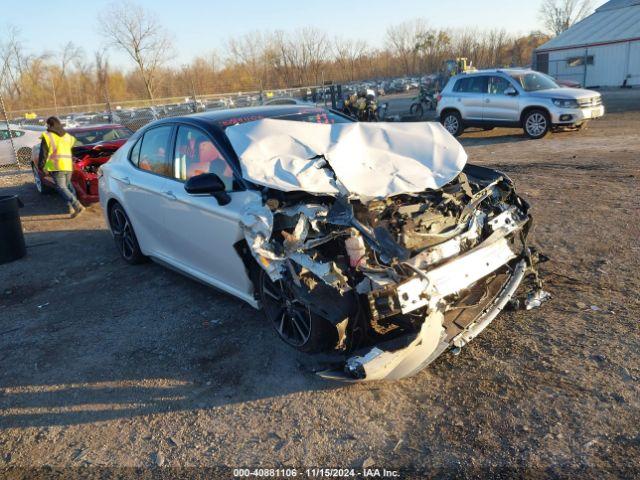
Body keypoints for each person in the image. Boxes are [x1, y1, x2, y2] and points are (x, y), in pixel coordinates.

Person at [38, 116, 85, 217]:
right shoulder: (67, 136)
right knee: (68, 186)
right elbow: (71, 149)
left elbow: (44, 153)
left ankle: (77, 205)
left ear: (49, 125)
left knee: (61, 187)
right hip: (68, 165)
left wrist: (41, 167)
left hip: (56, 166)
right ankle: (72, 209)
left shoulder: (48, 136)